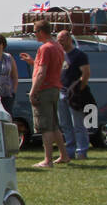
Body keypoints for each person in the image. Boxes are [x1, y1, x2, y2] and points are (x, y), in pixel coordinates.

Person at [19, 19, 68, 168]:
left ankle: (47, 160)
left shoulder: (45, 48)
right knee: (54, 125)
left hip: (44, 89)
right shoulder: (57, 46)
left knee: (45, 126)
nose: (34, 35)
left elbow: (42, 72)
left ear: (41, 31)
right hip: (54, 88)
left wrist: (33, 91)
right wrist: (33, 62)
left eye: (35, 31)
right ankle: (64, 155)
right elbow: (48, 67)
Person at [55, 31, 91, 159]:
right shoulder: (61, 55)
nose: (60, 42)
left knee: (78, 125)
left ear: (69, 39)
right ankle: (70, 151)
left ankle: (81, 151)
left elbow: (86, 73)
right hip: (61, 93)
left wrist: (79, 89)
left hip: (74, 95)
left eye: (62, 39)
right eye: (58, 40)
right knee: (65, 124)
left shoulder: (79, 55)